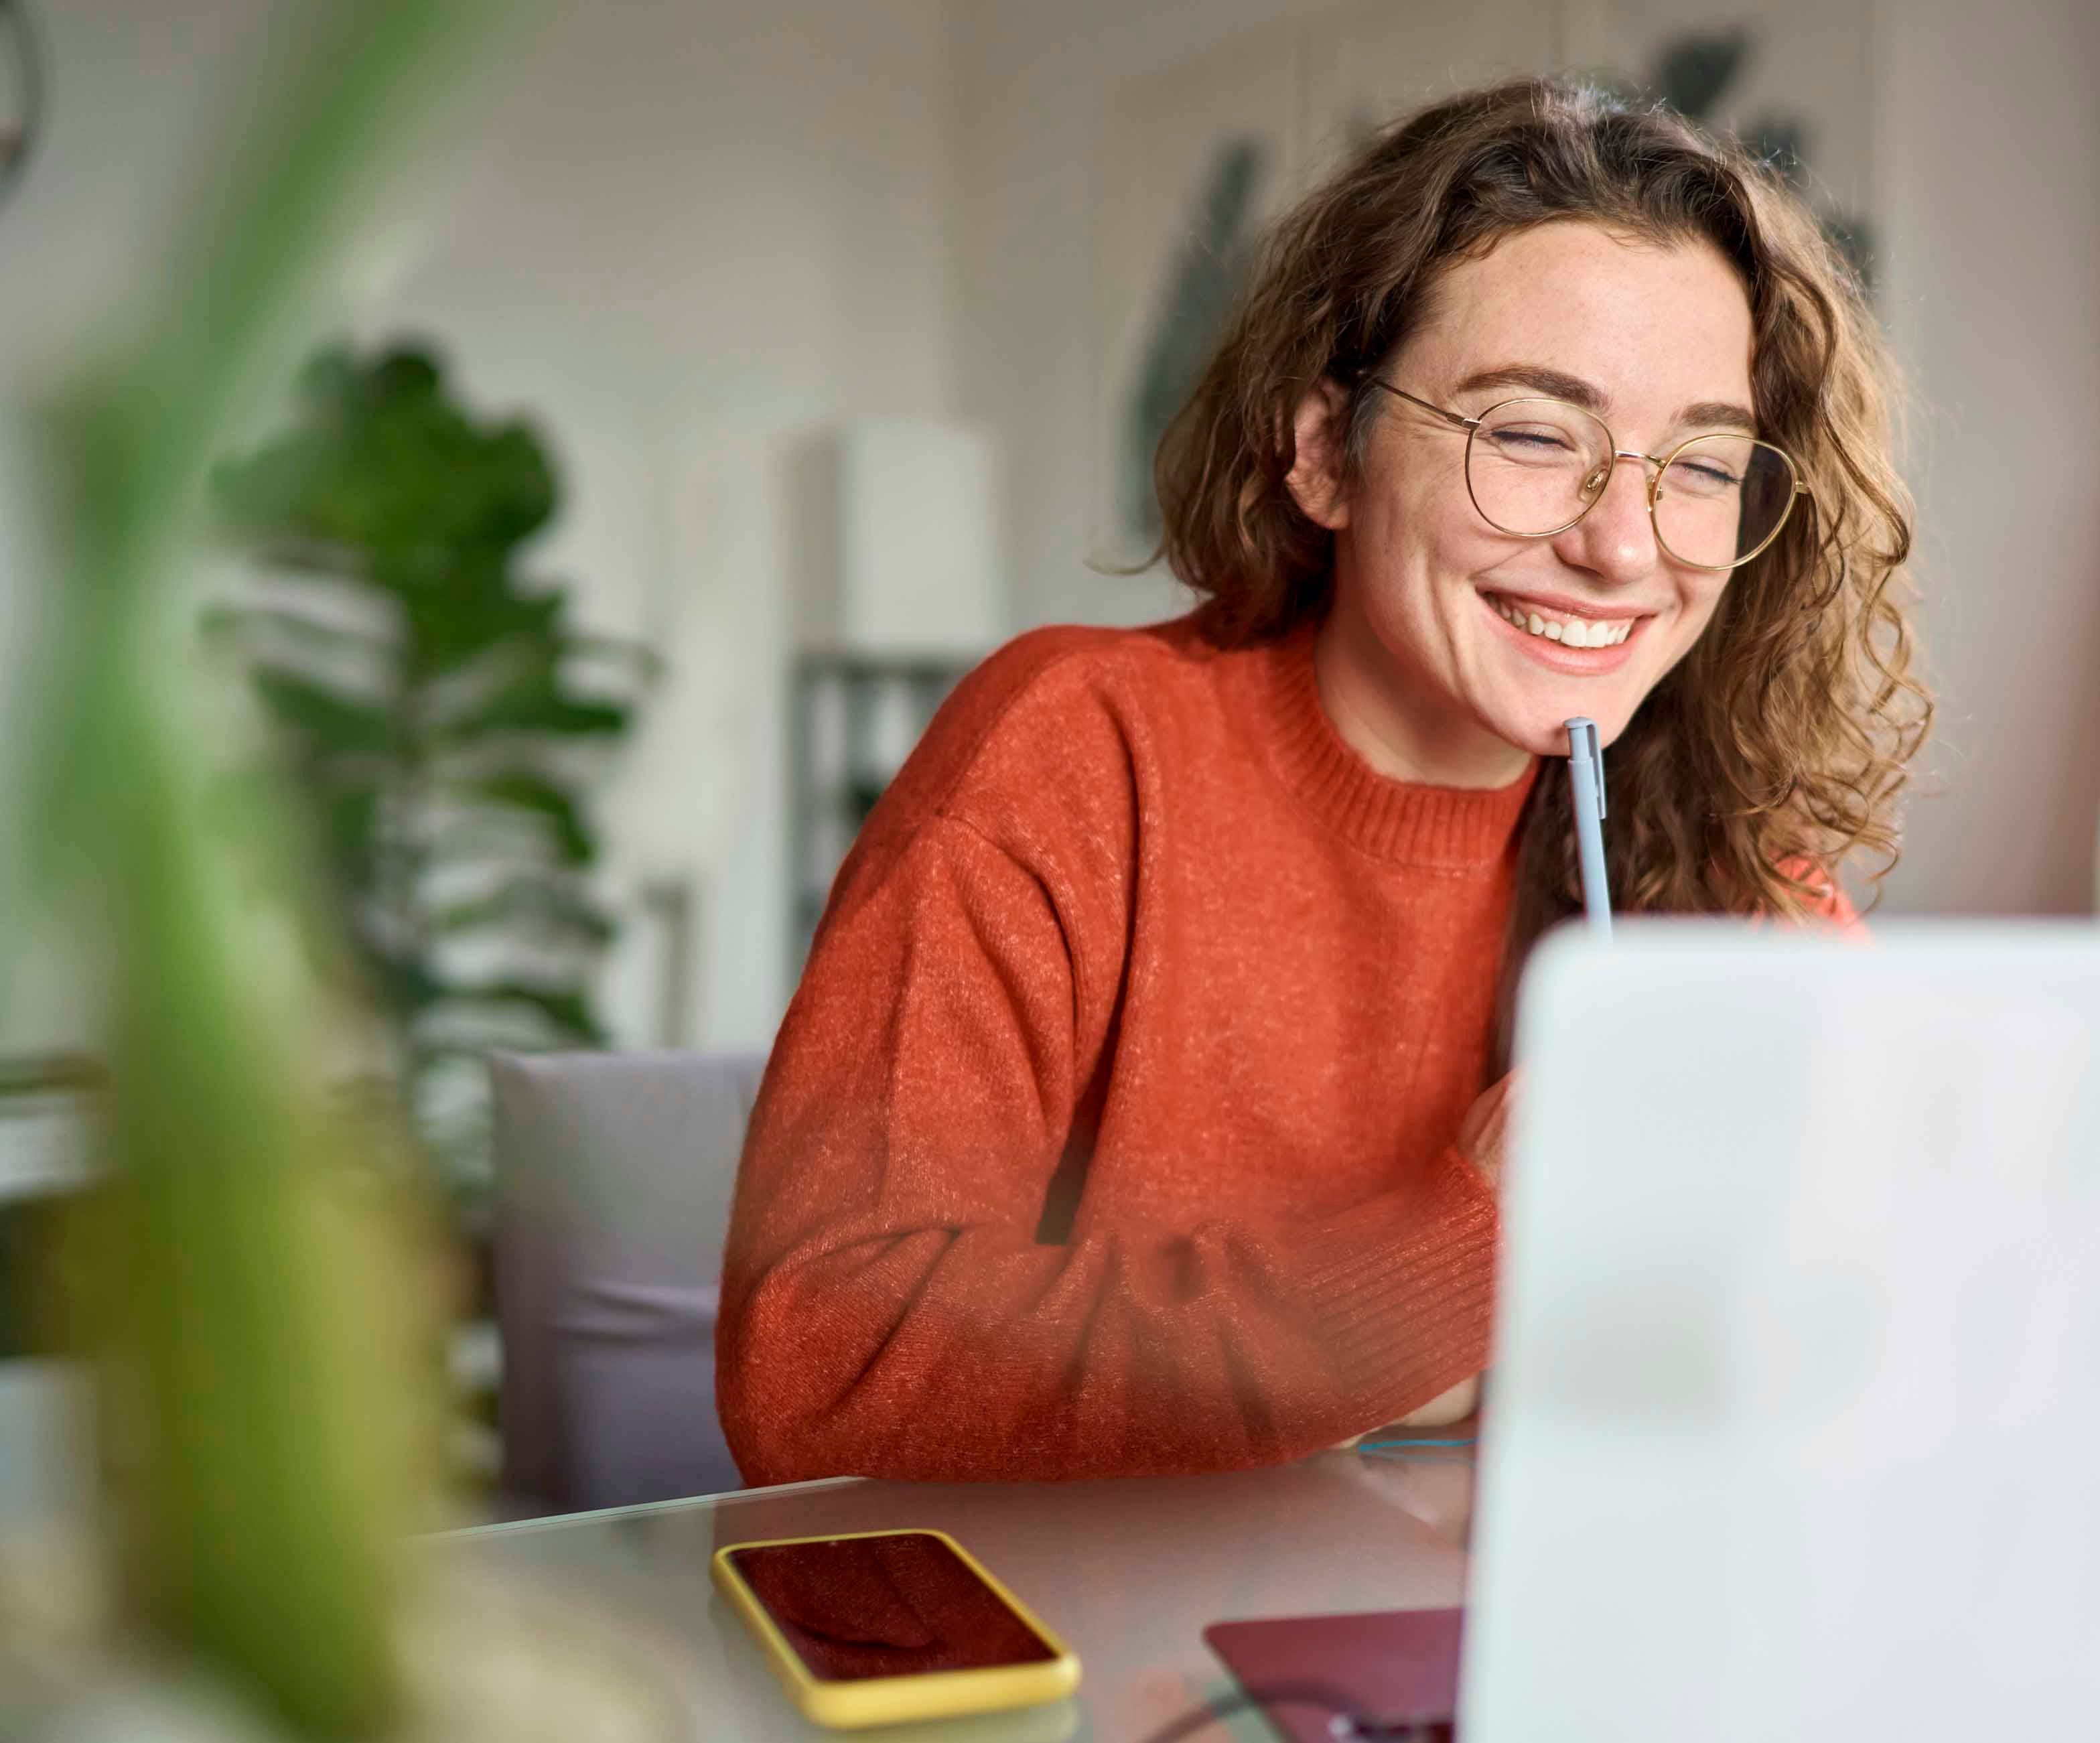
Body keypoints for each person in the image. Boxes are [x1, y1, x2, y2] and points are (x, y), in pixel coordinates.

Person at [717, 77, 1929, 1484]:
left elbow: (1872, 1337)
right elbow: (817, 1362)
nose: (1622, 544)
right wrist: (1459, 1249)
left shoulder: (1723, 852)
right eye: (1531, 434)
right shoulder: (1073, 753)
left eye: (1699, 464)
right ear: (1320, 452)